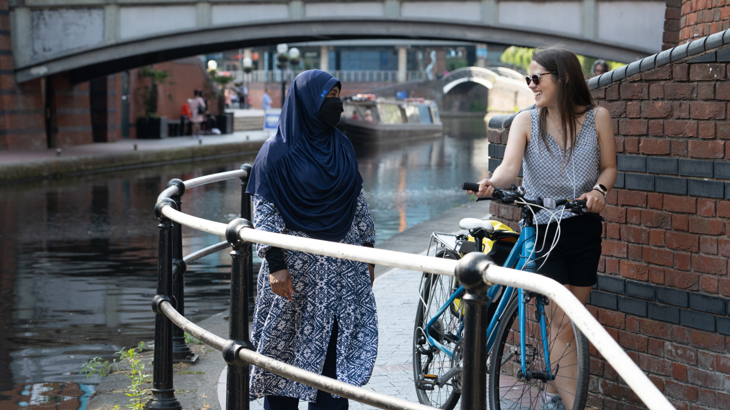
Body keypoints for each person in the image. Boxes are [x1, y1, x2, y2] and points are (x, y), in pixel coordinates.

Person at [468, 47, 617, 410]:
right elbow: (509, 168)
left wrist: (599, 191)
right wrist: (491, 182)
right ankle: (576, 405)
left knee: (571, 325)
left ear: (564, 78)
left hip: (583, 228)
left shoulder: (598, 118)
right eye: (528, 79)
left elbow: (609, 168)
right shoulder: (526, 120)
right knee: (561, 321)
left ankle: (561, 395)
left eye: (537, 78)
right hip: (544, 230)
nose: (531, 85)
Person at [247, 69, 378, 410]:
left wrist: (369, 252)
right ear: (307, 102)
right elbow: (265, 213)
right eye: (328, 97)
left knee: (334, 362)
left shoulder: (342, 145)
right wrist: (276, 265)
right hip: (295, 274)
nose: (336, 104)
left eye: (338, 96)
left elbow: (356, 201)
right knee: (285, 357)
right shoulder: (275, 152)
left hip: (341, 272)